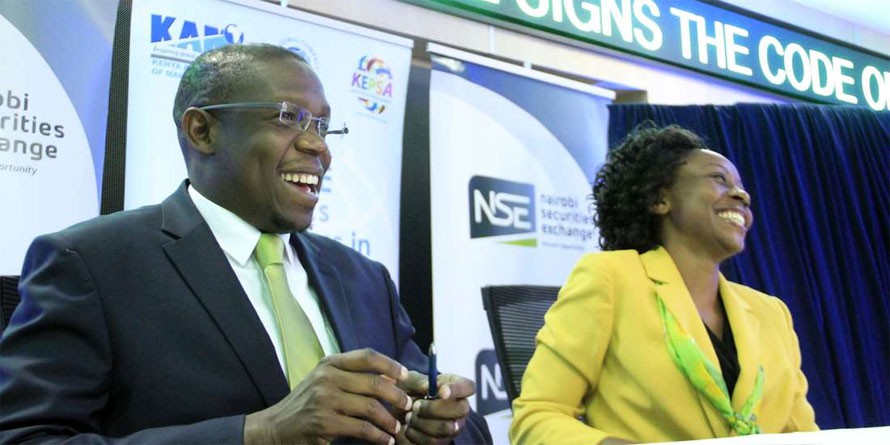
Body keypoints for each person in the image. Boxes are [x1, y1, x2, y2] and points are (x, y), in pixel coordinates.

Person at [0, 43, 491, 445]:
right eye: (287, 117)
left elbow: (462, 423)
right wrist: (259, 432)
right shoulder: (92, 265)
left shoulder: (364, 279)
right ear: (202, 131)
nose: (318, 146)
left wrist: (439, 423)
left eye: (321, 126)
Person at [509, 125, 818, 444]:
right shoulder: (611, 278)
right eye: (719, 179)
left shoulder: (771, 313)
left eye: (741, 186)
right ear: (660, 198)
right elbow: (537, 416)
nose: (742, 194)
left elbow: (804, 435)